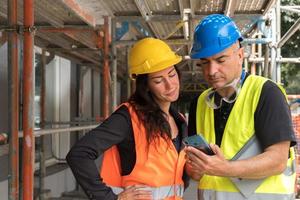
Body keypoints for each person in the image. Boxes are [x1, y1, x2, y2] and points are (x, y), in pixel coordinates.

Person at [185, 14, 297, 200]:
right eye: (204, 63)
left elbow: (278, 161)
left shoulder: (266, 93)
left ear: (240, 54)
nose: (211, 71)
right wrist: (195, 168)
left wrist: (225, 168)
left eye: (220, 60)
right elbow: (197, 172)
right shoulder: (199, 104)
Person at [66, 37, 189, 200]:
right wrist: (109, 197)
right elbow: (79, 154)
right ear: (146, 86)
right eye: (158, 80)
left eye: (172, 75)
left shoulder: (180, 120)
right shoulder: (128, 118)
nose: (170, 85)